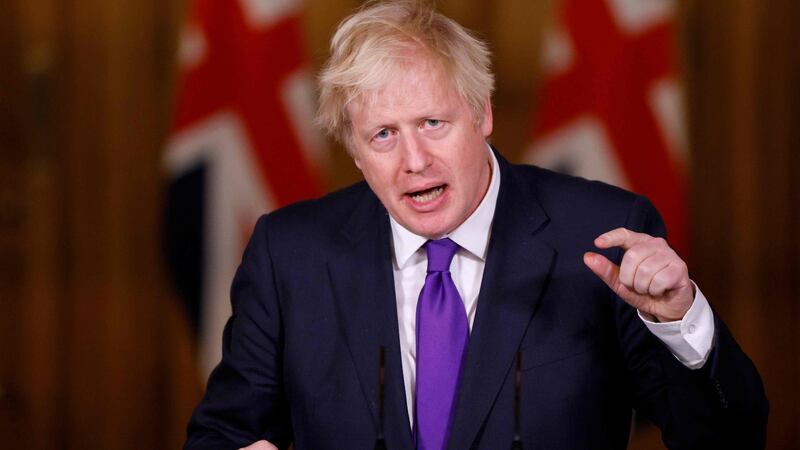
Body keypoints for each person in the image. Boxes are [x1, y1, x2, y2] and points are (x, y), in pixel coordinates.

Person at [184, 1, 768, 449]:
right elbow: (221, 433)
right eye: (383, 135)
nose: (414, 160)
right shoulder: (290, 253)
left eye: (433, 122)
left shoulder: (603, 234)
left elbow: (726, 438)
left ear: (482, 113)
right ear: (356, 153)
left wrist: (680, 319)